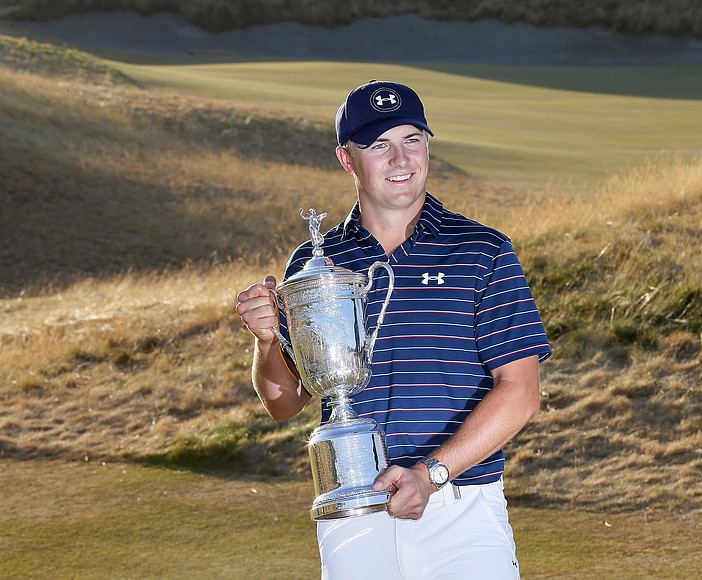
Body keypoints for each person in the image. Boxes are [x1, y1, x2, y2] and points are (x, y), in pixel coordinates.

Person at [236, 80, 551, 579]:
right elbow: (283, 402)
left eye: (412, 139)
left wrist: (429, 475)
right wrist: (267, 340)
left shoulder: (483, 251)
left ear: (428, 145)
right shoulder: (316, 264)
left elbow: (521, 392)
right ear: (347, 159)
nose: (400, 158)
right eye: (379, 144)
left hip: (459, 508)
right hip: (354, 510)